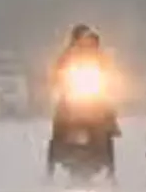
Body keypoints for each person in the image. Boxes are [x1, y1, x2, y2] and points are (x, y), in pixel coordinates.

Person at [47, 25, 118, 178]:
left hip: (94, 96)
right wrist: (57, 80)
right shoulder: (67, 55)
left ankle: (111, 170)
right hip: (71, 95)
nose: (85, 42)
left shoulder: (99, 55)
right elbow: (56, 72)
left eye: (87, 39)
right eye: (81, 38)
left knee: (108, 115)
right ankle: (50, 168)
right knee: (59, 119)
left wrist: (109, 79)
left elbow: (109, 71)